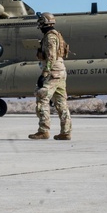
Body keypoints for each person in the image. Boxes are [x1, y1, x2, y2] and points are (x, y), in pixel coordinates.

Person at [31, 12, 71, 140]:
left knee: (42, 96)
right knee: (61, 103)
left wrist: (45, 74)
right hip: (60, 71)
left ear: (44, 23)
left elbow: (51, 57)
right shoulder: (57, 35)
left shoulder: (50, 37)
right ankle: (66, 132)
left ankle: (43, 130)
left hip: (53, 72)